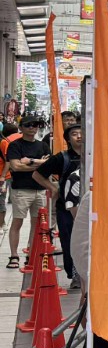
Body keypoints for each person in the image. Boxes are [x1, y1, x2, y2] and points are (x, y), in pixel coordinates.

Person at [33, 123, 84, 283]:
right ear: (68, 139)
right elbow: (37, 174)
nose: (79, 136)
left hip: (90, 208)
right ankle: (74, 275)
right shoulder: (62, 157)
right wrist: (52, 187)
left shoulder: (95, 156)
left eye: (82, 133)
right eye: (74, 134)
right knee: (69, 242)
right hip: (66, 208)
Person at [5, 114, 50, 268]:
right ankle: (14, 255)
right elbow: (15, 166)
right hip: (21, 190)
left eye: (35, 125)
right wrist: (40, 164)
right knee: (17, 221)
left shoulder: (43, 145)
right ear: (21, 127)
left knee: (36, 224)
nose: (32, 128)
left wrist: (30, 161)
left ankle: (31, 253)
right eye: (28, 125)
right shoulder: (15, 145)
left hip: (40, 190)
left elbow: (48, 165)